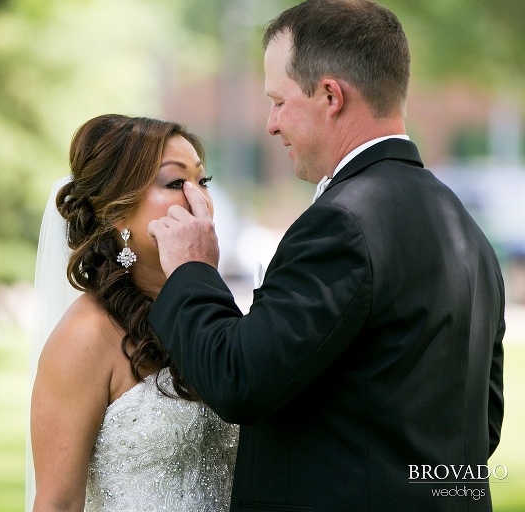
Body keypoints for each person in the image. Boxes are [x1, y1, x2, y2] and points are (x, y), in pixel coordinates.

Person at [146, 1, 505, 511]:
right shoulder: (466, 229)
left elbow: (239, 381)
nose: (270, 124)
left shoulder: (343, 223)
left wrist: (192, 270)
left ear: (330, 95)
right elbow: (481, 426)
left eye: (278, 101)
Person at [27, 114, 238, 512]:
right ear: (117, 213)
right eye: (176, 183)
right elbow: (57, 503)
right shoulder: (86, 336)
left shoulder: (213, 314)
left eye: (203, 182)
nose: (201, 201)